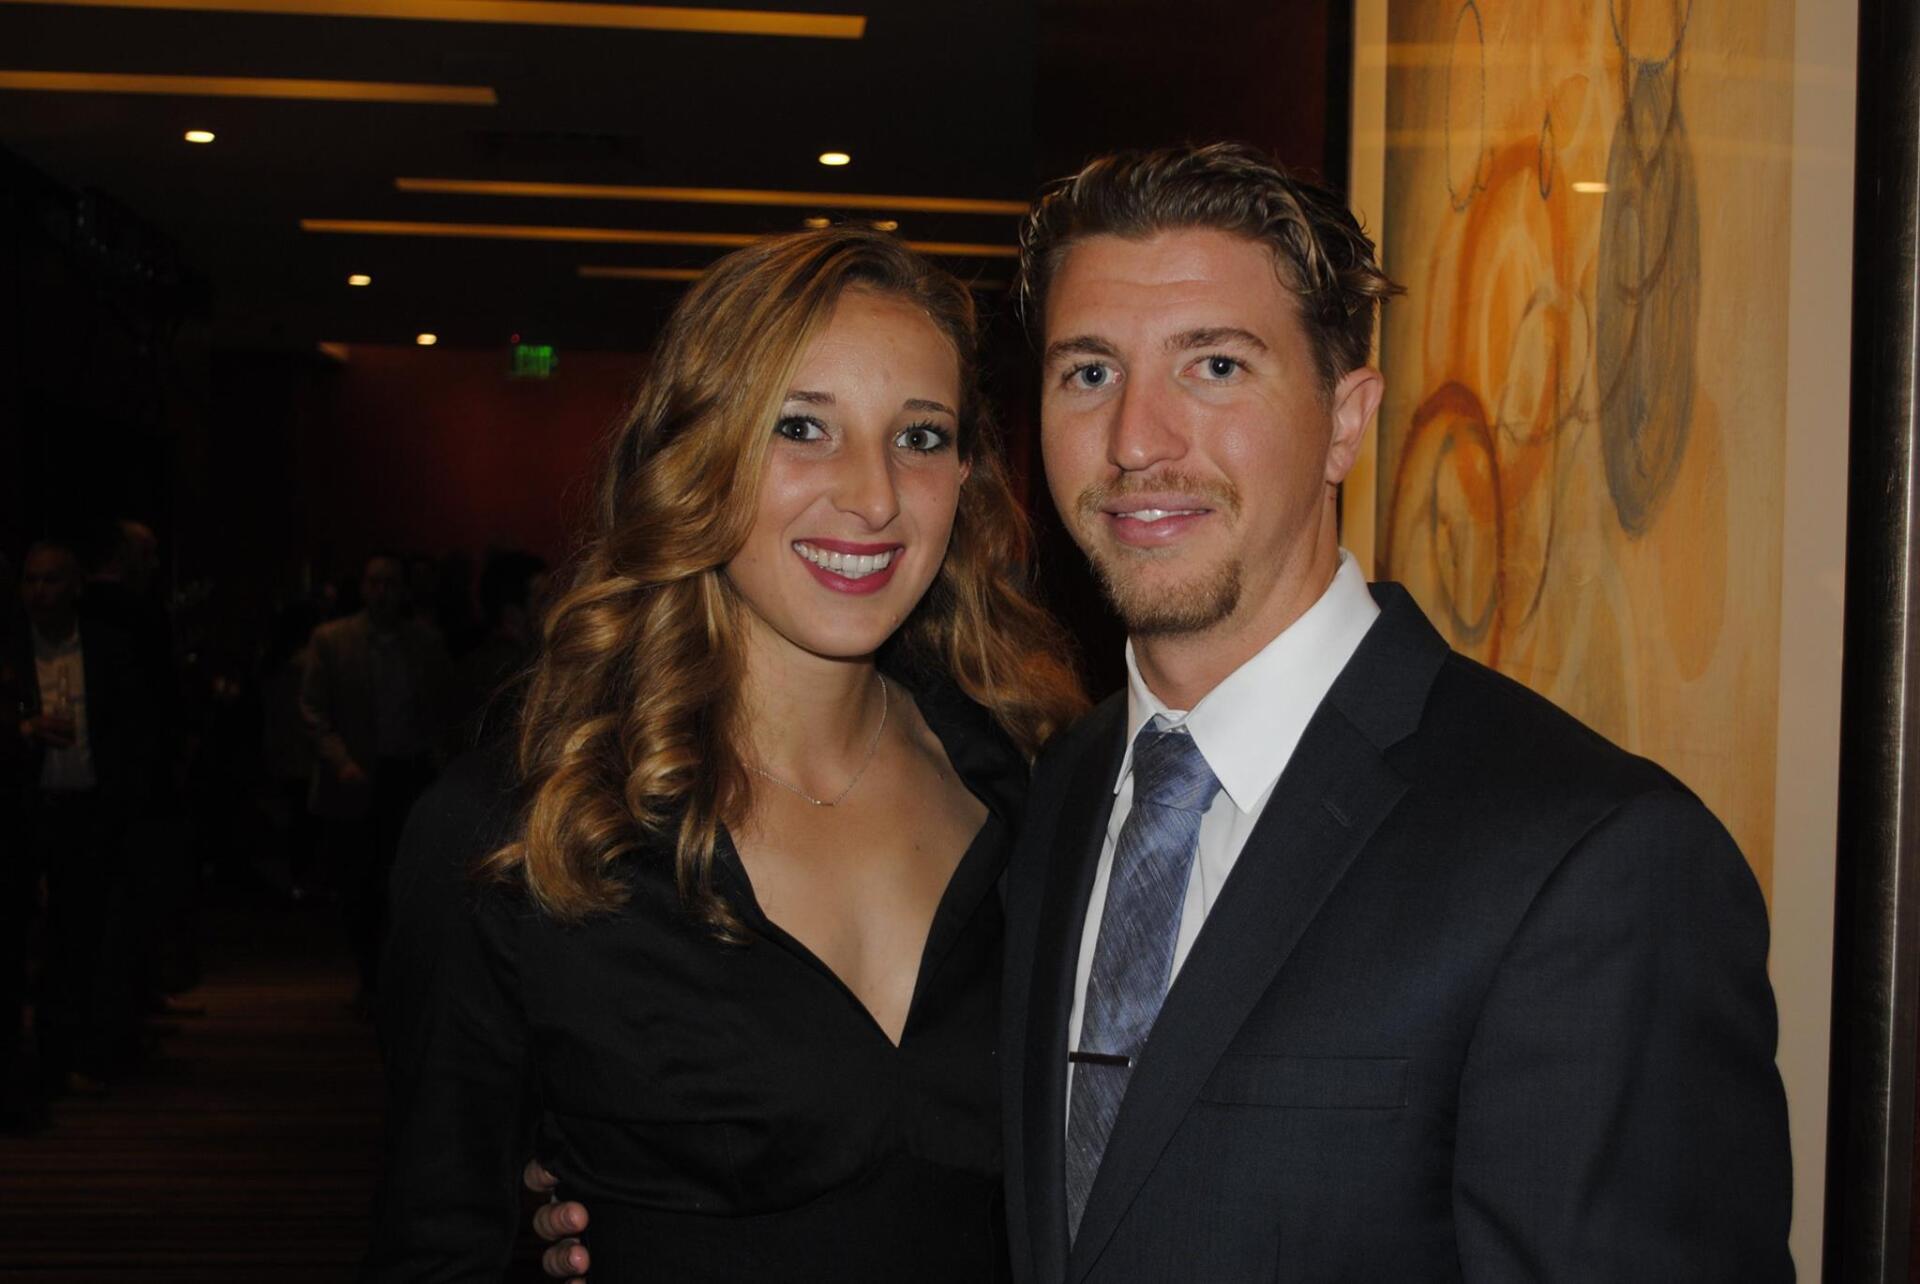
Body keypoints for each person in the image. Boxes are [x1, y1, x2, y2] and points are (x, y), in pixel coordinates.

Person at [535, 144, 1793, 1280]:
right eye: (1091, 372)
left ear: (1347, 420)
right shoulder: (1042, 792)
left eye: (1216, 365)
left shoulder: (1592, 859)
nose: (1138, 439)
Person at [363, 226, 1085, 1281]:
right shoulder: (526, 835)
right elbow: (435, 1239)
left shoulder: (1039, 787)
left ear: (966, 473)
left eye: (920, 436)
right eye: (802, 426)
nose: (874, 495)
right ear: (697, 453)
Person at [300, 553, 450, 1002]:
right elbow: (314, 711)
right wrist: (340, 761)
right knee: (358, 885)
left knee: (403, 882)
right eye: (374, 582)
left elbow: (442, 710)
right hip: (358, 776)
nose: (381, 592)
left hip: (410, 773)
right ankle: (371, 978)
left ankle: (398, 979)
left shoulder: (425, 643)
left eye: (390, 583)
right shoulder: (333, 640)